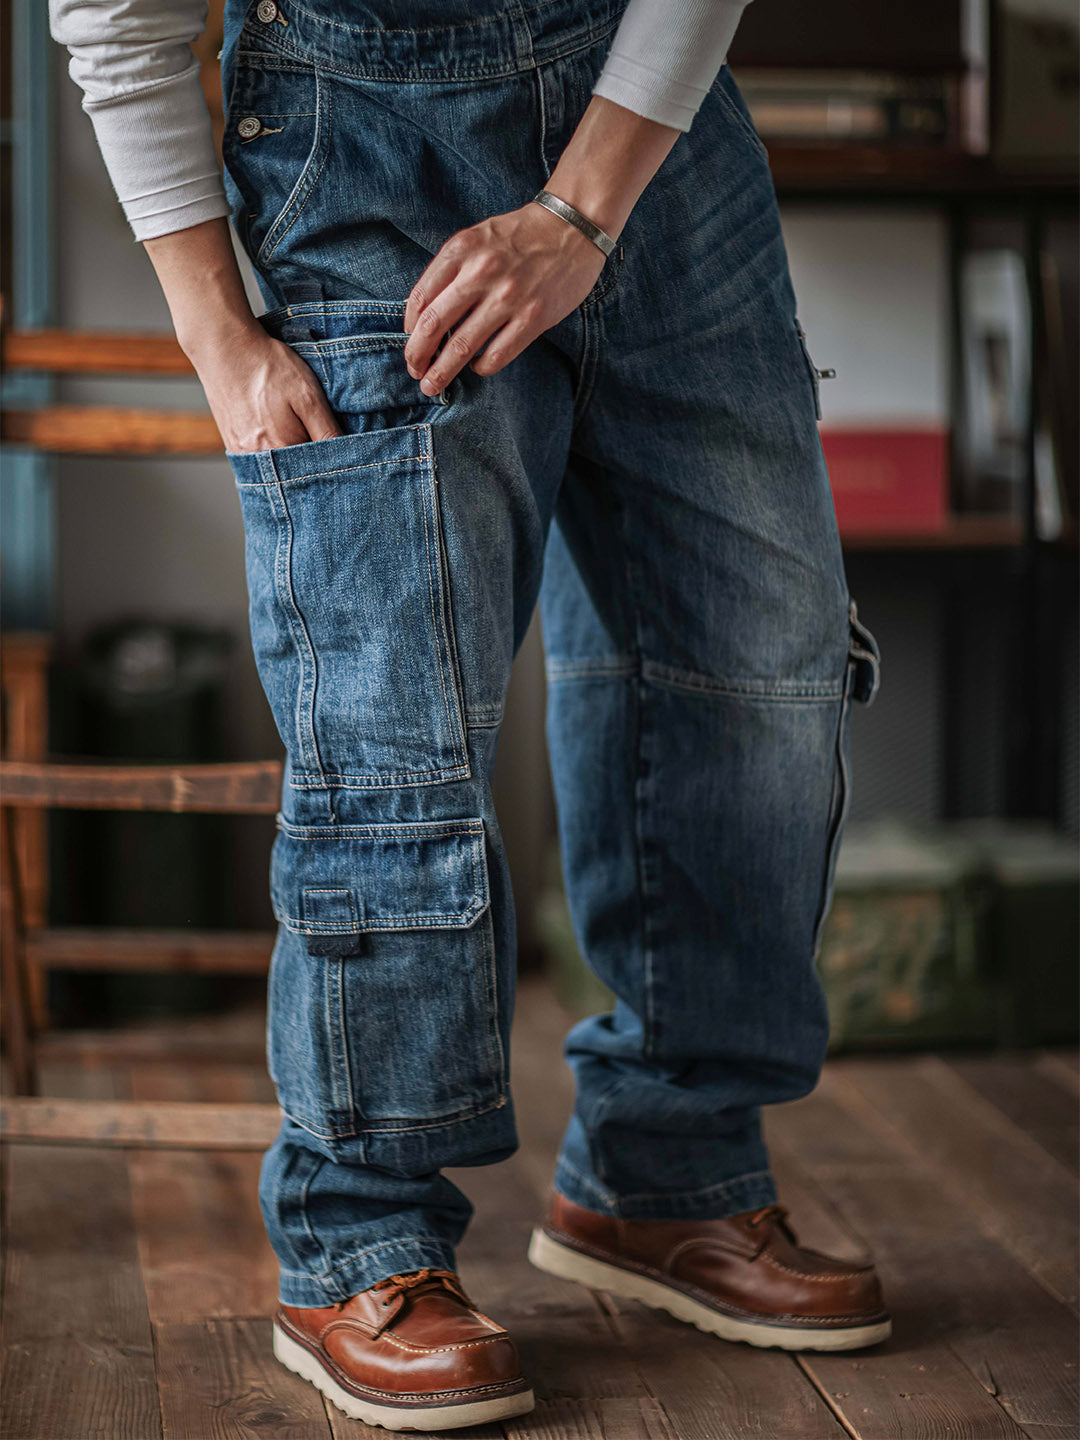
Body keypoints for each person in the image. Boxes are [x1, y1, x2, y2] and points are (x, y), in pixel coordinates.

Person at [50, 0, 888, 1428]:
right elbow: (121, 19)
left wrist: (581, 207)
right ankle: (358, 1238)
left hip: (656, 131)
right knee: (395, 718)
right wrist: (216, 337)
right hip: (358, 138)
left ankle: (668, 1173)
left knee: (762, 669)